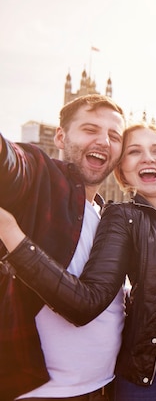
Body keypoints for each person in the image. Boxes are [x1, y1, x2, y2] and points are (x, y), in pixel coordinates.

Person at [0, 122, 156, 400]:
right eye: (134, 152)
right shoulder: (124, 217)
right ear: (122, 172)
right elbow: (86, 301)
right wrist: (13, 235)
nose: (147, 157)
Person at [0, 94, 126, 400]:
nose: (103, 141)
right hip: (40, 391)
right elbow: (11, 162)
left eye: (114, 135)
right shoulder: (42, 176)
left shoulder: (106, 213)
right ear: (60, 136)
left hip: (104, 387)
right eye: (90, 129)